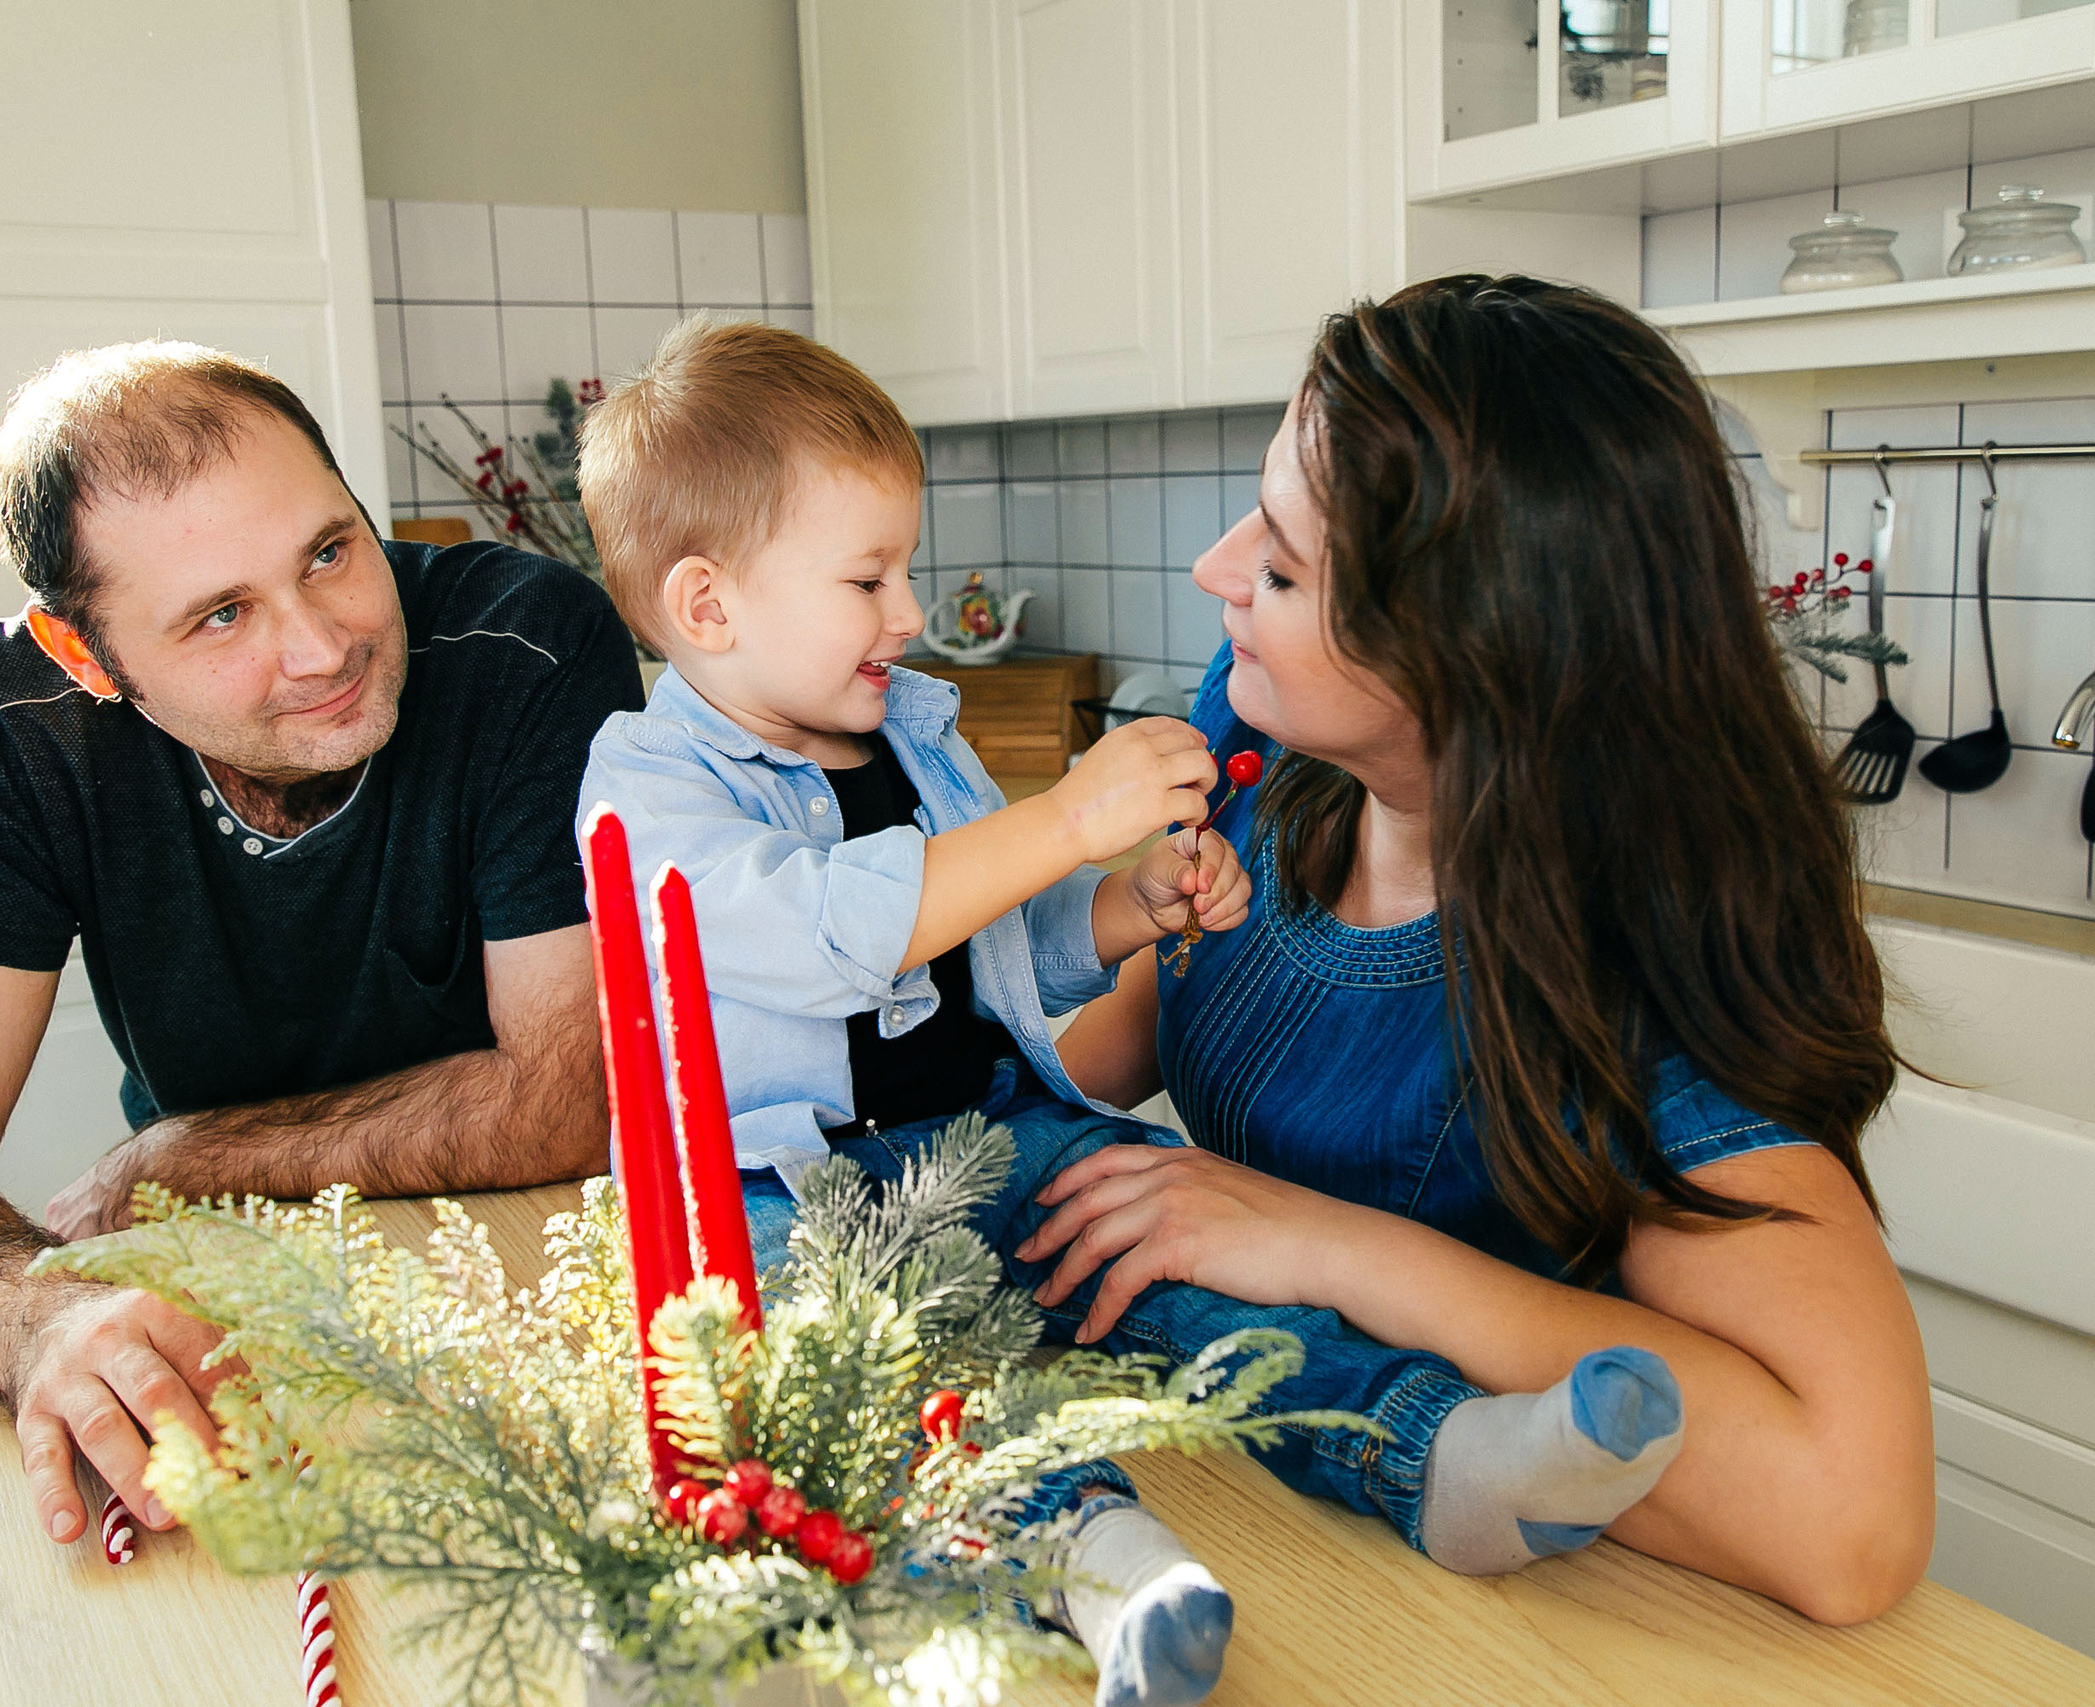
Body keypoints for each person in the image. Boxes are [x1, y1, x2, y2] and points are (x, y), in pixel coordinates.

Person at [572, 318, 1689, 1707]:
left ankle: (1433, 1453)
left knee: (1185, 1246)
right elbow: (830, 937)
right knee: (879, 1386)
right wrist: (1063, 817)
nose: (909, 611)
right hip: (782, 1196)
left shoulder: (914, 735)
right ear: (708, 606)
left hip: (987, 1130)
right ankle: (1103, 1560)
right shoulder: (648, 787)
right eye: (868, 577)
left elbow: (986, 947)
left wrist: (1122, 905)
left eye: (903, 568)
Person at [1037, 275, 1936, 1626]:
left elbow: (1855, 1520)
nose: (1217, 570)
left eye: (1281, 563)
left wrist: (1326, 1244)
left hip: (1499, 1609)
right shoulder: (1268, 755)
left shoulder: (1632, 981)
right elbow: (1093, 1051)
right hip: (1237, 1505)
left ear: (1465, 651)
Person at [0, 342, 641, 1555]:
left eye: (331, 552)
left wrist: (174, 1157)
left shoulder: (525, 641)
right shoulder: (13, 731)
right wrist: (35, 1323)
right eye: (222, 614)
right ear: (86, 657)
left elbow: (573, 1096)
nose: (322, 646)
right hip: (230, 1316)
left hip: (553, 1283)